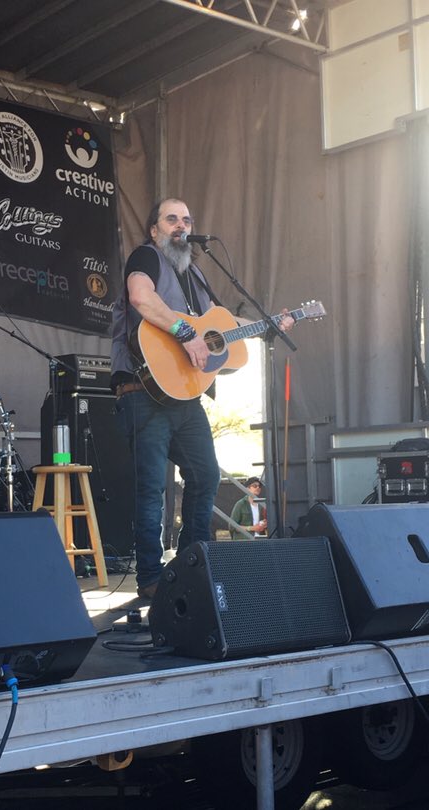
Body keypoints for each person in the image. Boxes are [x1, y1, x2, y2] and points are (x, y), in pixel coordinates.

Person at [110, 197, 294, 600]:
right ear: (155, 230)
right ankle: (150, 580)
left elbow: (222, 323)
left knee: (206, 475)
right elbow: (142, 298)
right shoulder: (146, 256)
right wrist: (185, 332)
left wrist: (268, 325)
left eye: (187, 219)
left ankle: (193, 562)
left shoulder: (193, 272)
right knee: (152, 488)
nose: (181, 225)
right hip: (143, 392)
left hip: (183, 396)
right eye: (171, 218)